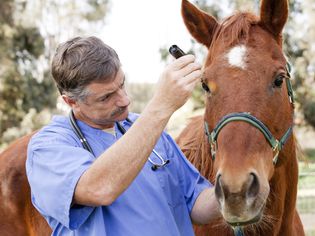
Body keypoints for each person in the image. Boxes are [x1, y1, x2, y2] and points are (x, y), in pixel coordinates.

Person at [26, 36, 219, 236]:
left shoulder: (147, 130)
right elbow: (98, 189)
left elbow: (195, 202)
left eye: (122, 84)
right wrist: (161, 105)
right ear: (71, 102)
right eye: (106, 97)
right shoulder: (47, 147)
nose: (125, 100)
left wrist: (235, 194)